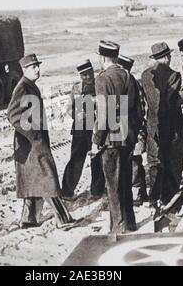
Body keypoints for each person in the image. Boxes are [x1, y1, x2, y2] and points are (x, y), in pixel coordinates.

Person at [7, 54, 81, 230]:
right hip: (31, 144)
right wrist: (33, 134)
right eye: (33, 67)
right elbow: (13, 114)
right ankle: (62, 220)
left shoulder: (30, 86)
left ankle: (29, 219)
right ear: (25, 70)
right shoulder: (23, 87)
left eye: (37, 66)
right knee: (48, 178)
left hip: (31, 144)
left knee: (33, 179)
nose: (37, 69)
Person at [92, 41, 143, 234]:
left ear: (102, 58)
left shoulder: (103, 79)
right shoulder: (128, 76)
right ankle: (130, 221)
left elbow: (104, 115)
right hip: (127, 136)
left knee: (112, 184)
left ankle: (118, 227)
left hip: (111, 138)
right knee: (125, 182)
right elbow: (138, 111)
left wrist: (97, 140)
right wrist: (132, 131)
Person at [141, 42, 183, 210]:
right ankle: (170, 198)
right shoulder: (174, 75)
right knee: (172, 161)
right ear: (167, 57)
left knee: (154, 161)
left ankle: (153, 198)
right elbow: (170, 102)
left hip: (153, 124)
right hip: (170, 124)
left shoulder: (145, 75)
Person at [61, 59, 105, 201]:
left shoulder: (100, 84)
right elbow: (69, 108)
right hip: (80, 128)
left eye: (90, 73)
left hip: (96, 127)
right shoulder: (77, 88)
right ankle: (67, 191)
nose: (88, 77)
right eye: (84, 75)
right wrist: (78, 114)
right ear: (80, 76)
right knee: (76, 159)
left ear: (93, 71)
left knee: (97, 159)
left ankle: (97, 191)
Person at [118, 54, 148, 206]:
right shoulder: (133, 83)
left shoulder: (131, 84)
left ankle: (138, 193)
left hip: (132, 130)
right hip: (131, 129)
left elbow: (140, 111)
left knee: (134, 162)